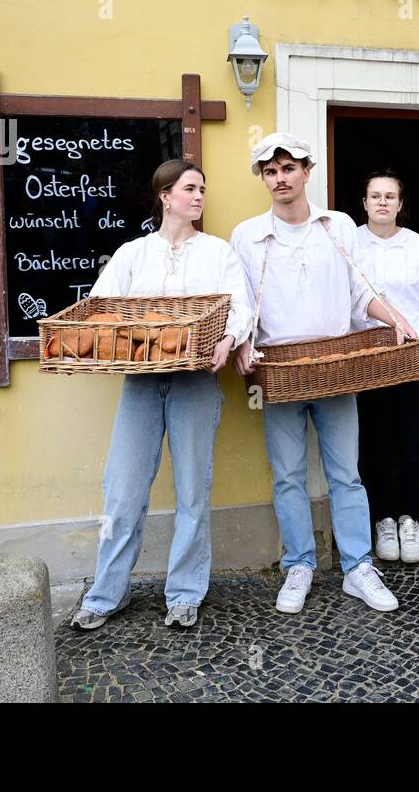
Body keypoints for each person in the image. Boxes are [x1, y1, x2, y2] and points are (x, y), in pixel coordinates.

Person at [231, 132, 416, 614]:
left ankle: (358, 567)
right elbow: (242, 302)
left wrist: (392, 315)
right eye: (270, 172)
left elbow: (359, 293)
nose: (279, 179)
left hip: (337, 368)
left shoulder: (337, 226)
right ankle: (299, 564)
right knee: (288, 476)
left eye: (288, 168)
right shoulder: (248, 235)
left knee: (346, 475)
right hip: (281, 371)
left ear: (306, 172)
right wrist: (243, 344)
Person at [71, 159, 252, 631]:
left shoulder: (219, 253)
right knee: (123, 490)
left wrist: (228, 339)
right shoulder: (132, 253)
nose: (199, 197)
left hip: (196, 381)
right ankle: (106, 593)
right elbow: (101, 308)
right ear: (165, 196)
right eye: (190, 188)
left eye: (203, 190)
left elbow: (241, 306)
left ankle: (185, 592)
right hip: (140, 382)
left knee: (194, 488)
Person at [353, 170, 419, 563]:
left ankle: (408, 519)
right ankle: (383, 520)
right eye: (375, 195)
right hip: (366, 360)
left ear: (400, 204)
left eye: (389, 196)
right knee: (374, 445)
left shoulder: (418, 246)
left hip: (414, 358)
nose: (382, 202)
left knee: (409, 444)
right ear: (364, 203)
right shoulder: (351, 243)